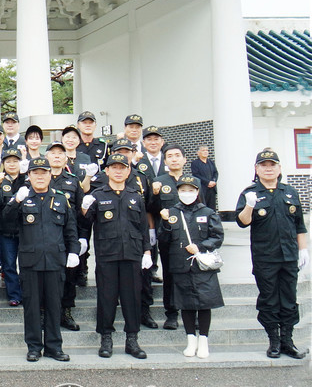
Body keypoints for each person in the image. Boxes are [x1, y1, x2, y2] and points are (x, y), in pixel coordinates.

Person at [3, 157, 79, 362]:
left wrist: (74, 251)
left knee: (55, 305)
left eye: (43, 172)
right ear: (29, 176)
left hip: (55, 260)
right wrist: (15, 201)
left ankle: (54, 346)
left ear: (50, 175)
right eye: (35, 173)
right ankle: (34, 346)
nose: (39, 176)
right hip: (31, 262)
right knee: (32, 306)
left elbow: (70, 229)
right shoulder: (23, 198)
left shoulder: (61, 199)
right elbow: (5, 222)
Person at [236, 149, 308, 359]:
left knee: (289, 299)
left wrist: (303, 249)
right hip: (265, 257)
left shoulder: (289, 192)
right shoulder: (250, 193)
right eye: (264, 165)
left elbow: (299, 225)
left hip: (288, 256)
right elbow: (243, 222)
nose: (268, 168)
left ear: (279, 168)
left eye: (272, 165)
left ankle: (288, 341)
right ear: (257, 169)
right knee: (268, 299)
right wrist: (249, 205)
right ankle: (273, 342)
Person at [81, 153, 153, 359]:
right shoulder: (98, 195)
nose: (118, 171)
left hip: (132, 254)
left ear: (128, 170)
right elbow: (86, 224)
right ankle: (106, 338)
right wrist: (85, 208)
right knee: (107, 297)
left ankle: (132, 339)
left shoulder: (135, 196)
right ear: (107, 171)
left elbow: (142, 228)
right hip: (107, 255)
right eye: (114, 167)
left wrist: (147, 251)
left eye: (122, 167)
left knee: (132, 298)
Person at [158, 176, 224, 359]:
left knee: (204, 303)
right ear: (178, 192)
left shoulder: (208, 212)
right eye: (183, 190)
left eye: (191, 190)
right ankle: (190, 340)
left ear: (197, 192)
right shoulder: (171, 212)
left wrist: (202, 247)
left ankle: (203, 341)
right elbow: (163, 239)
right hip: (180, 264)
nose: (187, 194)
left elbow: (217, 237)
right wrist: (164, 222)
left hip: (202, 266)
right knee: (185, 304)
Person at [44, 141, 89, 331]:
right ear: (46, 156)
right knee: (45, 276)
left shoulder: (72, 181)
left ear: (66, 158)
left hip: (68, 237)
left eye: (60, 153)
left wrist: (83, 237)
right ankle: (43, 313)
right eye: (52, 153)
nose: (56, 156)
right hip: (45, 237)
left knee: (69, 277)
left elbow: (81, 212)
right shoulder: (38, 178)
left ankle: (66, 312)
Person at [146, 143, 187, 331]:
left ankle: (192, 310)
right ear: (165, 160)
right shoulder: (159, 181)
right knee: (170, 275)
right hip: (168, 235)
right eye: (170, 156)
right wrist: (154, 194)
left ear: (184, 159)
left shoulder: (194, 181)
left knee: (192, 275)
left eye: (177, 155)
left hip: (190, 237)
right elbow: (151, 208)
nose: (174, 159)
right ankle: (171, 314)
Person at [0, 147, 25, 307]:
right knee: (9, 264)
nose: (12, 164)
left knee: (25, 264)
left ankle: (27, 293)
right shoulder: (1, 181)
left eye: (15, 161)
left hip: (25, 230)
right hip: (6, 231)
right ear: (3, 163)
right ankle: (14, 295)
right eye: (8, 161)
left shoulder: (27, 179)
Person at [190, 146, 219, 210]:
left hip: (212, 189)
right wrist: (207, 182)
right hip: (202, 188)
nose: (206, 152)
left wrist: (214, 181)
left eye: (207, 150)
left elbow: (215, 173)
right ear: (198, 153)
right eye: (203, 150)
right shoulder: (195, 163)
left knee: (212, 208)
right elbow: (196, 175)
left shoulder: (211, 162)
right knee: (203, 206)